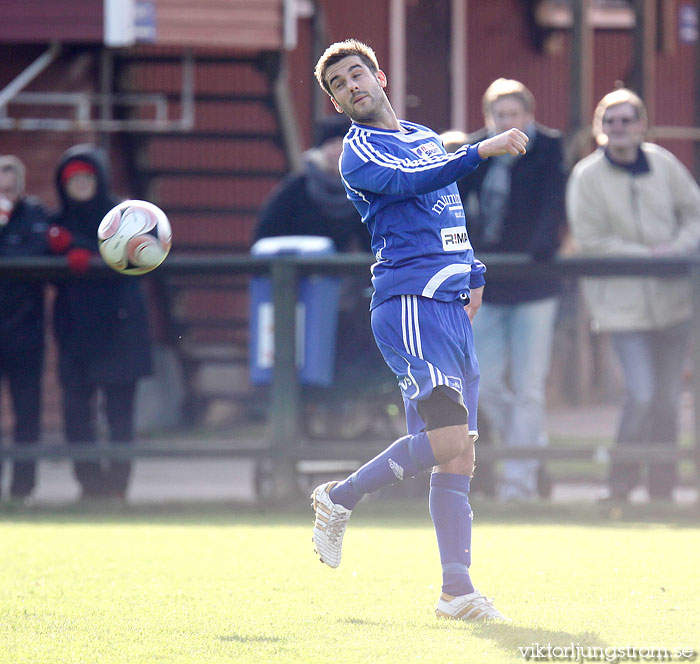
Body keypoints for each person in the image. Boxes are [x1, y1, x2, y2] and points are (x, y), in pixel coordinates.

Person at [310, 38, 528, 622]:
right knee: (450, 441)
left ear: (379, 76)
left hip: (450, 304)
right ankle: (338, 498)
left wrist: (475, 271)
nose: (351, 86)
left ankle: (456, 592)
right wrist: (482, 150)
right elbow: (416, 182)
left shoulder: (425, 135)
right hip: (410, 304)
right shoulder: (359, 154)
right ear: (337, 103)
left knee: (457, 458)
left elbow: (449, 208)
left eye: (357, 74)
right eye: (338, 85)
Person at [567, 88, 700, 501]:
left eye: (627, 120)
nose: (619, 128)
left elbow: (694, 215)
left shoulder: (664, 165)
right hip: (621, 306)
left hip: (674, 303)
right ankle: (620, 485)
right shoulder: (586, 176)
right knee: (640, 395)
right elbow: (589, 240)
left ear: (642, 125)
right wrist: (646, 255)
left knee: (665, 400)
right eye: (610, 121)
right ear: (599, 128)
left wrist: (676, 248)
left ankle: (662, 489)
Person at [453, 79, 567, 501]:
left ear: (528, 116)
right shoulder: (477, 151)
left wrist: (541, 248)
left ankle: (518, 482)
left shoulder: (548, 149)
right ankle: (531, 449)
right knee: (487, 384)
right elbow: (454, 203)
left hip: (534, 283)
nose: (507, 121)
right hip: (487, 283)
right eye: (499, 115)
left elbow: (555, 203)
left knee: (529, 385)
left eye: (514, 114)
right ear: (489, 118)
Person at [255, 114, 396, 438]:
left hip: (349, 295)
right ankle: (304, 428)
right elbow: (265, 233)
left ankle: (357, 421)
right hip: (302, 294)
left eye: (343, 145)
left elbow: (375, 240)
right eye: (331, 145)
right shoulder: (297, 188)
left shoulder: (364, 190)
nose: (336, 152)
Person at [48, 145, 152, 500]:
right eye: (73, 179)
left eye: (86, 177)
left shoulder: (123, 216)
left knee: (120, 415)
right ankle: (90, 485)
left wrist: (83, 251)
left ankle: (118, 488)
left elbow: (137, 252)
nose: (80, 184)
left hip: (120, 329)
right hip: (75, 332)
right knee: (76, 413)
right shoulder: (55, 224)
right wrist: (63, 246)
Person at [0, 155, 50, 501]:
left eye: (10, 188)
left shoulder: (36, 216)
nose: (5, 195)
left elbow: (42, 254)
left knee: (27, 417)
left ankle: (23, 491)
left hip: (26, 334)